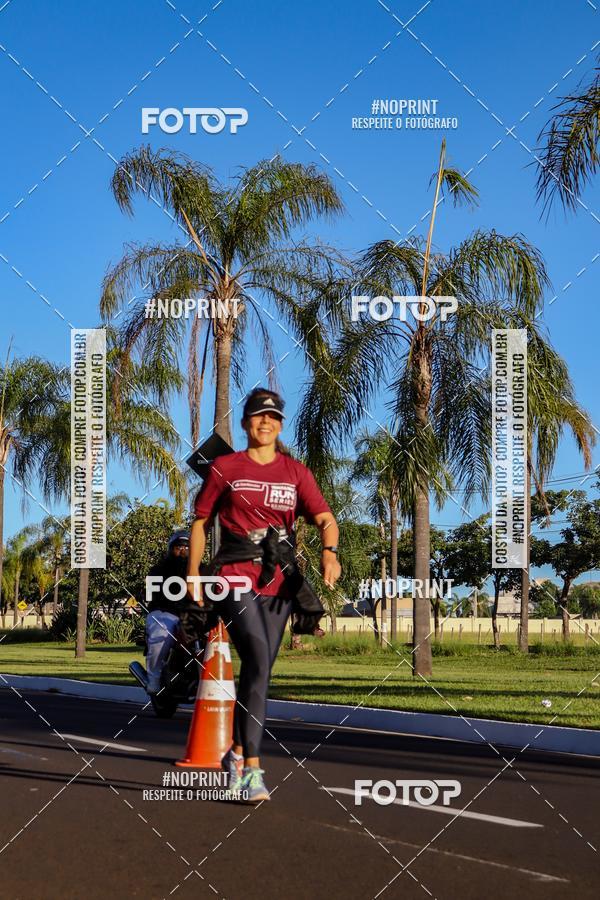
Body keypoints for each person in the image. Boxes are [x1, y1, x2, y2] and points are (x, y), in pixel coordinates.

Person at [187, 387, 341, 803]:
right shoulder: (225, 467)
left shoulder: (296, 472)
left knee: (260, 672)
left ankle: (235, 751)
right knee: (256, 657)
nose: (266, 422)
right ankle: (250, 770)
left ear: (280, 424)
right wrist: (193, 576)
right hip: (235, 576)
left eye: (273, 416)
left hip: (281, 583)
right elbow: (200, 522)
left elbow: (326, 518)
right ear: (246, 423)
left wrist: (330, 553)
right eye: (258, 415)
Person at [145, 530, 190, 694]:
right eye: (179, 547)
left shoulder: (200, 568)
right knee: (162, 633)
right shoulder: (159, 569)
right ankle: (154, 678)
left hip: (192, 615)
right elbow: (153, 594)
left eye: (186, 547)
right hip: (164, 612)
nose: (183, 550)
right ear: (171, 549)